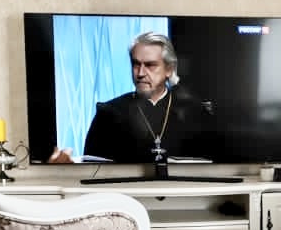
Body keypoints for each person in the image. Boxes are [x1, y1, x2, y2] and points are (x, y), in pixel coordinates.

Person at [69, 32, 215, 165]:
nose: (140, 73)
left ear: (169, 69)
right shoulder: (108, 113)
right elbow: (92, 171)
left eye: (150, 65)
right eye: (136, 64)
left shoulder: (195, 112)